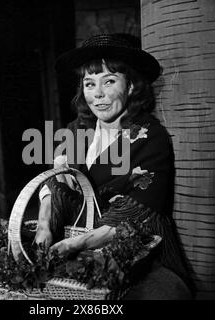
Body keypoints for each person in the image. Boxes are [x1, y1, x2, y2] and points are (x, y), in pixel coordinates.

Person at [34, 33, 195, 299]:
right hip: (74, 241)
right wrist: (43, 224)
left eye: (109, 81)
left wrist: (76, 244)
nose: (97, 95)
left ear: (131, 86)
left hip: (136, 253)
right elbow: (54, 182)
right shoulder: (76, 131)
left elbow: (139, 214)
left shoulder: (149, 136)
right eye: (89, 84)